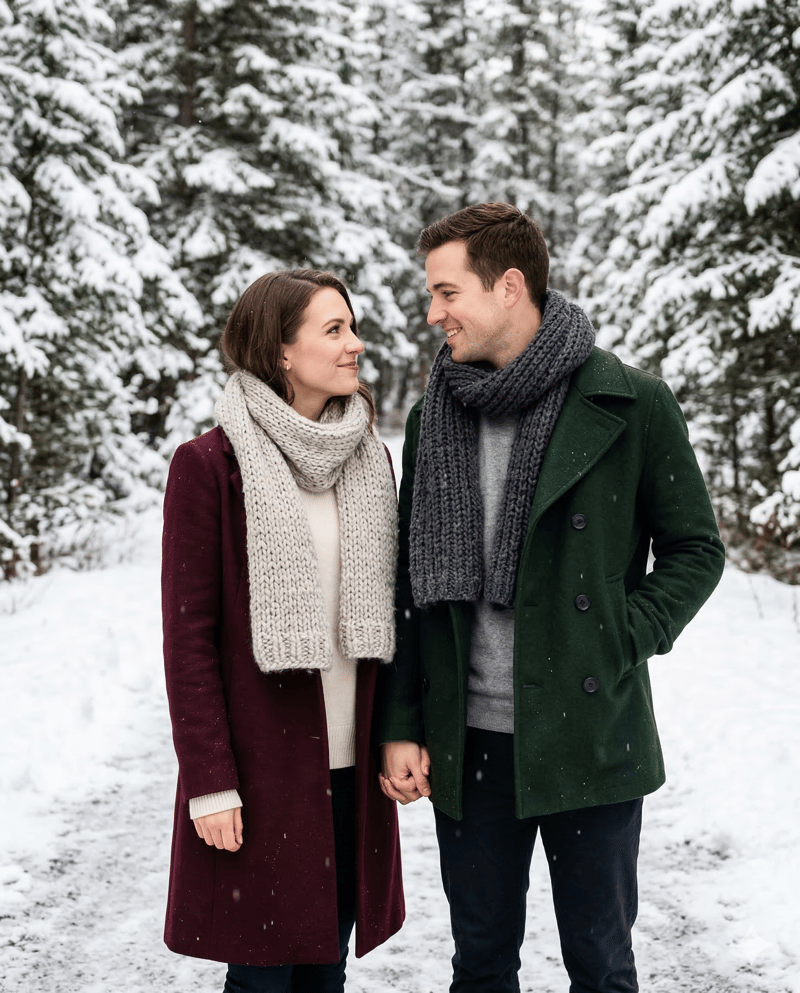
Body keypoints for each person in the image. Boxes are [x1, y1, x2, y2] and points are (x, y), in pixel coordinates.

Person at [378, 203, 725, 993]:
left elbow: (695, 549)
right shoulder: (434, 413)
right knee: (483, 963)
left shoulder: (630, 403)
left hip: (590, 737)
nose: (432, 314)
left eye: (445, 292)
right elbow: (408, 583)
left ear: (508, 286)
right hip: (470, 745)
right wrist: (401, 722)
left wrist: (620, 633)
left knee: (601, 965)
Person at [162, 269, 404, 993]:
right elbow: (188, 639)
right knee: (262, 977)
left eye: (352, 326)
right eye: (334, 330)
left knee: (324, 969)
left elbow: (394, 616)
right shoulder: (210, 466)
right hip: (262, 773)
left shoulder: (368, 458)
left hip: (349, 771)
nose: (356, 344)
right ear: (280, 353)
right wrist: (210, 782)